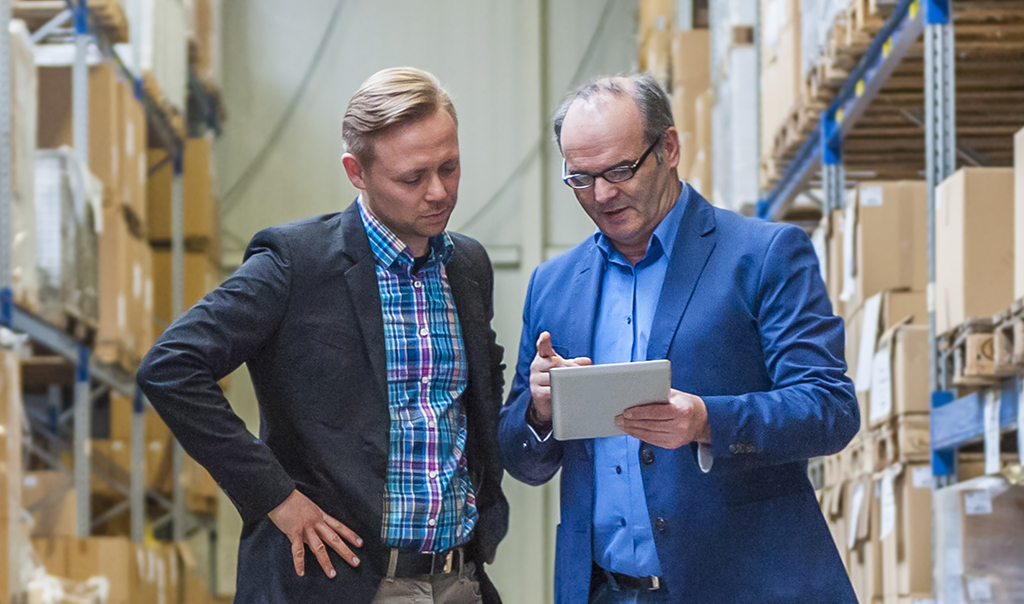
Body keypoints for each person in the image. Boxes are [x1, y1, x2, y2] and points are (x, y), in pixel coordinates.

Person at [137, 67, 508, 604]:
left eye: (449, 167)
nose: (439, 192)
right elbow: (170, 367)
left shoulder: (468, 265)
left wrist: (488, 507)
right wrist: (276, 497)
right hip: (340, 582)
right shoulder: (295, 264)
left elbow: (477, 391)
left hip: (457, 579)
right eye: (412, 178)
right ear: (356, 172)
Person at [498, 73, 859, 604]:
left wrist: (707, 421)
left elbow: (830, 408)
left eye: (620, 170)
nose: (602, 194)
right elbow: (522, 458)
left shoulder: (762, 256)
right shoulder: (553, 286)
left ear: (669, 148)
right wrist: (540, 411)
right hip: (602, 591)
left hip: (741, 588)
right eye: (581, 178)